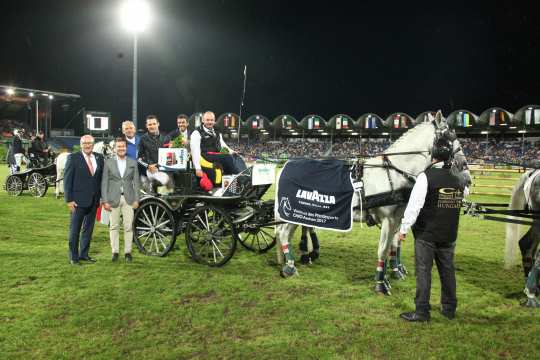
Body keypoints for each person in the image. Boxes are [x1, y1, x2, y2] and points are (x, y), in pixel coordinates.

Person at [398, 137, 468, 322]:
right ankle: (449, 309)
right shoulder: (459, 178)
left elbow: (415, 206)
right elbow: (465, 194)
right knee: (448, 271)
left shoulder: (425, 177)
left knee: (423, 271)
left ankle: (421, 311)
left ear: (433, 156)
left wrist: (403, 228)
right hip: (449, 234)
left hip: (426, 234)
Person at [64, 135, 104, 265]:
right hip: (78, 201)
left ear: (93, 144)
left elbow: (100, 180)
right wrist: (69, 200)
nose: (87, 145)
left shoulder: (99, 157)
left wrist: (101, 197)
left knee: (88, 229)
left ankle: (84, 254)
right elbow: (67, 180)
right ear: (81, 144)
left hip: (93, 200)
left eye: (90, 143)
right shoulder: (73, 158)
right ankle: (73, 257)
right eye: (85, 143)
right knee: (75, 230)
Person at [101, 137, 140, 263]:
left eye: (123, 146)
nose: (121, 148)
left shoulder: (132, 162)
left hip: (129, 199)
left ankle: (128, 252)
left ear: (126, 148)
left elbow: (137, 182)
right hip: (113, 199)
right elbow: (104, 183)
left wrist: (137, 199)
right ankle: (115, 252)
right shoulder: (108, 162)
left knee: (128, 227)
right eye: (119, 146)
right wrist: (105, 200)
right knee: (114, 226)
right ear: (115, 148)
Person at [190, 111, 246, 178]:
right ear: (203, 120)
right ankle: (240, 177)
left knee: (233, 156)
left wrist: (232, 151)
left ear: (214, 121)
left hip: (215, 154)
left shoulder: (217, 131)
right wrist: (198, 168)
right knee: (227, 157)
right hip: (205, 155)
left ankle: (231, 178)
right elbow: (195, 151)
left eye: (212, 120)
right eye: (207, 120)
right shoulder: (197, 133)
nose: (210, 122)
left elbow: (222, 144)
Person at [137, 115, 170, 188]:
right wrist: (148, 166)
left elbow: (170, 155)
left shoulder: (166, 137)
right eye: (150, 124)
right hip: (151, 170)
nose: (152, 126)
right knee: (164, 180)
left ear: (158, 124)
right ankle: (152, 187)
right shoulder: (143, 139)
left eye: (154, 124)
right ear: (146, 126)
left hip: (165, 169)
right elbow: (138, 158)